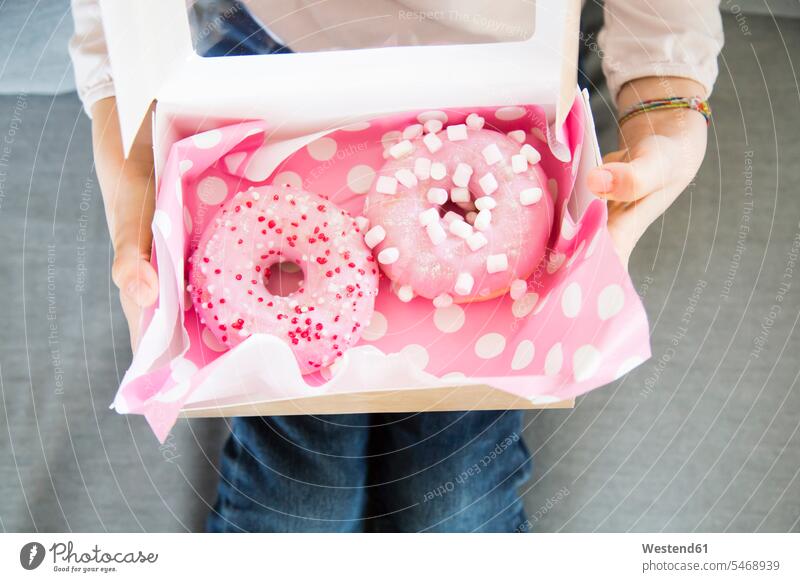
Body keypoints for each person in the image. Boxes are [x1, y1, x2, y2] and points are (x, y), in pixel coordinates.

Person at [69, 0, 723, 532]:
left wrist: (670, 113)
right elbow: (122, 22)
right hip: (261, 61)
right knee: (300, 501)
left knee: (455, 508)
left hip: (504, 77)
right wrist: (124, 131)